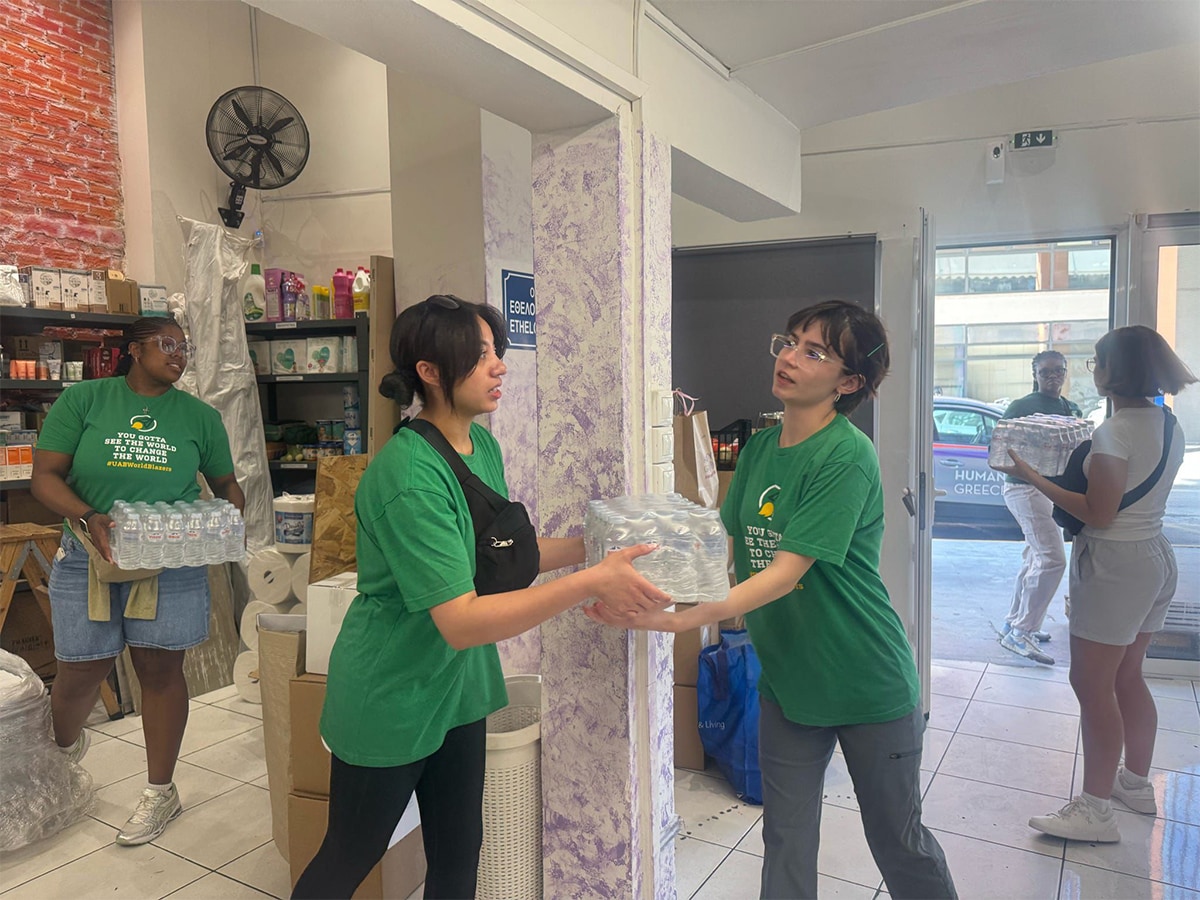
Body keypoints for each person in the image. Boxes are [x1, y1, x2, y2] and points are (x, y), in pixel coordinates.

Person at [292, 295, 670, 900]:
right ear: (431, 372)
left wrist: (592, 549)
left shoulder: (481, 447)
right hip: (392, 693)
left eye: (497, 352)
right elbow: (461, 620)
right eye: (480, 355)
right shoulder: (410, 475)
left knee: (459, 850)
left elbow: (501, 558)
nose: (499, 367)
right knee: (350, 855)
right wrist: (592, 583)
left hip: (459, 689)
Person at [588, 300, 957, 900]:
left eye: (815, 352)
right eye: (790, 342)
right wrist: (650, 585)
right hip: (788, 684)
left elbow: (785, 573)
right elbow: (723, 548)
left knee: (898, 841)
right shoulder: (760, 449)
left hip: (867, 680)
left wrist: (682, 620)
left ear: (850, 382)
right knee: (785, 840)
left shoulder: (845, 455)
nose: (790, 357)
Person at [31, 316, 244, 846]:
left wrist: (224, 522)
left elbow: (226, 485)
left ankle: (159, 791)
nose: (179, 354)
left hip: (169, 557)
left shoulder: (199, 417)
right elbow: (45, 476)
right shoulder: (85, 401)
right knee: (81, 671)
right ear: (134, 350)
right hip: (88, 554)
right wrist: (87, 516)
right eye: (167, 345)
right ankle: (56, 763)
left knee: (160, 668)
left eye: (185, 347)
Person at [994, 326, 1195, 843]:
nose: (1093, 372)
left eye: (1096, 363)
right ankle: (1135, 784)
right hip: (1154, 557)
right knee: (1129, 675)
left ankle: (1096, 809)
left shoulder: (1114, 431)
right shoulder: (1168, 423)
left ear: (1114, 373)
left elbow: (1098, 514)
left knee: (1092, 685)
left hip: (1114, 565)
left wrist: (1035, 476)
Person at [995, 350, 1082, 665]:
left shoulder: (1071, 408)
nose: (1053, 376)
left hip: (1052, 492)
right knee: (1051, 559)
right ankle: (1020, 632)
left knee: (1035, 557)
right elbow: (999, 454)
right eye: (1046, 372)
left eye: (1059, 370)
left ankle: (1014, 622)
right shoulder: (1021, 407)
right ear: (1035, 374)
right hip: (1025, 490)